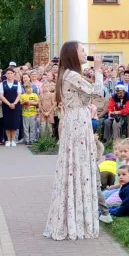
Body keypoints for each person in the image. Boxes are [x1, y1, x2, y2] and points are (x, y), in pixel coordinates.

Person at [43, 42, 107, 241]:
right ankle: (75, 218)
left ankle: (76, 215)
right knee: (77, 165)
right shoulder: (71, 75)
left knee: (78, 166)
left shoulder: (69, 75)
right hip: (78, 122)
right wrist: (97, 70)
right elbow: (97, 91)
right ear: (72, 54)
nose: (85, 53)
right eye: (82, 50)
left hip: (78, 120)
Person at [0, 68, 22, 147]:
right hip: (6, 106)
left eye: (11, 73)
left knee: (14, 122)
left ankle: (13, 140)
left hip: (16, 106)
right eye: (8, 73)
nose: (9, 75)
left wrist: (14, 103)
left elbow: (19, 94)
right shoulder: (3, 83)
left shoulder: (17, 83)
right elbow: (1, 95)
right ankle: (8, 140)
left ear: (13, 74)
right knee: (7, 122)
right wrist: (9, 103)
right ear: (5, 75)